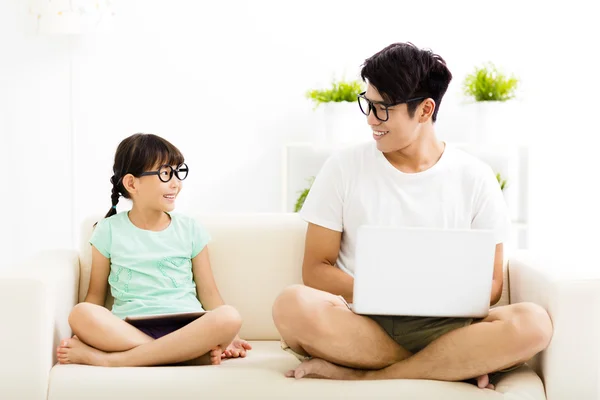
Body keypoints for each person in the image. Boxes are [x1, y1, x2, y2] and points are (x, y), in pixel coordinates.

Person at [272, 43, 552, 389]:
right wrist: (386, 290)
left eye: (383, 109)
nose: (372, 120)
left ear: (424, 109)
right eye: (368, 105)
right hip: (363, 320)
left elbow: (492, 286)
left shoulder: (476, 177)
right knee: (292, 304)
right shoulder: (344, 167)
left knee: (534, 323)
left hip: (448, 325)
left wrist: (431, 295)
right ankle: (451, 364)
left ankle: (368, 373)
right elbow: (315, 269)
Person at [57, 133, 251, 367]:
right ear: (131, 183)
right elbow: (95, 296)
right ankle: (183, 355)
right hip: (129, 328)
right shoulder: (107, 230)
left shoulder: (190, 228)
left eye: (178, 173)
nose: (175, 183)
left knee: (230, 316)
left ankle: (113, 361)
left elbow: (209, 294)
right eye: (165, 174)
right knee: (81, 313)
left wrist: (233, 336)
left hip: (188, 327)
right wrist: (84, 332)